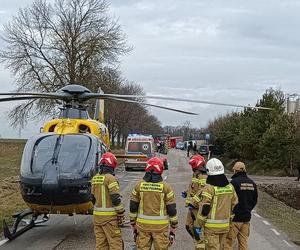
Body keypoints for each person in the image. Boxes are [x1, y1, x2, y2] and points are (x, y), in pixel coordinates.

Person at [129, 157, 178, 250]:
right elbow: (171, 209)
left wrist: (132, 222)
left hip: (143, 227)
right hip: (160, 227)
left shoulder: (138, 185)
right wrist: (174, 225)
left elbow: (133, 207)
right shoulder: (166, 187)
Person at [194, 158, 238, 250]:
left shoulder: (209, 188)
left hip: (211, 228)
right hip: (225, 227)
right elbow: (235, 206)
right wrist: (229, 221)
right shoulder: (230, 187)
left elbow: (204, 210)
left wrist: (198, 225)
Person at [91, 152, 125, 250]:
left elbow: (92, 198)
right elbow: (115, 198)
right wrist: (121, 212)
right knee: (115, 242)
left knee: (101, 244)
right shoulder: (111, 179)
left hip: (97, 218)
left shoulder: (95, 178)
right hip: (109, 219)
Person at [224, 162, 258, 250]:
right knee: (243, 243)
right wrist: (248, 209)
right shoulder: (252, 183)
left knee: (228, 242)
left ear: (235, 171)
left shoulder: (233, 183)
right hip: (246, 218)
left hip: (235, 219)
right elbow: (254, 200)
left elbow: (229, 199)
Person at [182, 155, 207, 249]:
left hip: (198, 209)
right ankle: (198, 241)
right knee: (188, 226)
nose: (192, 167)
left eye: (193, 165)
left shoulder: (203, 177)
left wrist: (194, 202)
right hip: (192, 208)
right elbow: (193, 188)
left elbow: (203, 192)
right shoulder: (196, 174)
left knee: (198, 230)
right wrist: (186, 192)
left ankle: (201, 244)